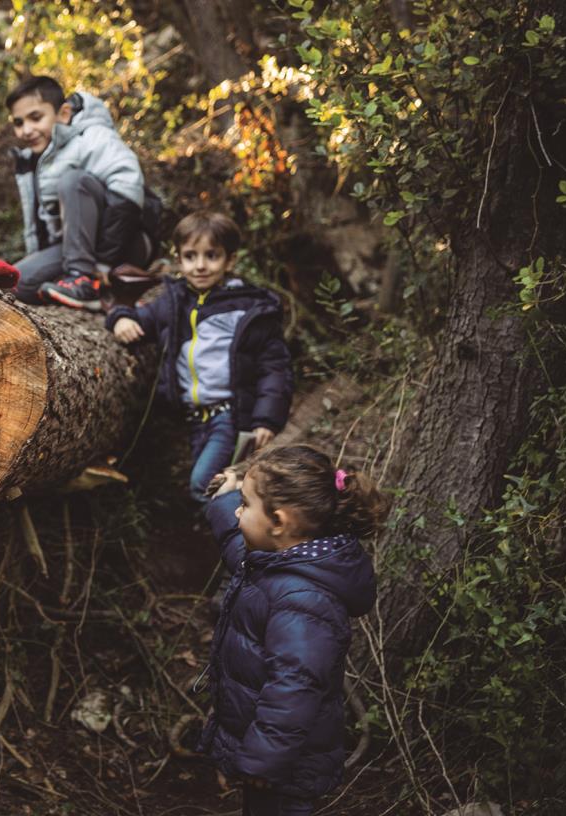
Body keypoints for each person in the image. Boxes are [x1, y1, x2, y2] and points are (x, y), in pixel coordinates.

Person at [201, 445, 387, 815]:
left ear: (280, 522)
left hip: (284, 765)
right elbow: (235, 540)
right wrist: (228, 496)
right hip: (272, 754)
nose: (240, 510)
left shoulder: (304, 601)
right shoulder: (277, 559)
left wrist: (261, 761)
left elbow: (294, 687)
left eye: (246, 503)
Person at [106, 210, 292, 503]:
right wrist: (119, 318)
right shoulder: (175, 301)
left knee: (204, 484)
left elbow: (275, 367)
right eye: (191, 256)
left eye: (212, 256)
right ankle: (239, 532)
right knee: (221, 484)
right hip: (195, 418)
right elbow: (139, 318)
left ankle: (246, 540)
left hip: (230, 414)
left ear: (230, 260)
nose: (200, 266)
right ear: (178, 259)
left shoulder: (247, 307)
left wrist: (266, 419)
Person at [7, 75, 156, 311]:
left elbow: (127, 191)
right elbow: (39, 226)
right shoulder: (34, 161)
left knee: (72, 181)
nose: (27, 130)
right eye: (18, 122)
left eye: (36, 118)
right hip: (78, 249)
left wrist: (105, 262)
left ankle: (84, 280)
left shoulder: (92, 137)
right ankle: (87, 284)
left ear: (63, 114)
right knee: (14, 283)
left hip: (125, 243)